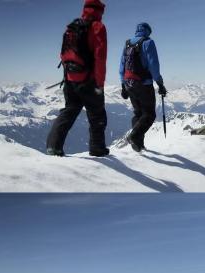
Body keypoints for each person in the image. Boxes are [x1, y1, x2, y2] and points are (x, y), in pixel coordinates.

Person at [46, 0, 109, 157]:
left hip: (70, 79)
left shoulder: (71, 27)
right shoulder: (98, 27)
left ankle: (53, 146)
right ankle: (97, 149)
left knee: (69, 110)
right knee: (97, 114)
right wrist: (99, 84)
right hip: (88, 80)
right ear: (99, 11)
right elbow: (100, 58)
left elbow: (63, 54)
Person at [119, 22, 167, 152]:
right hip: (143, 84)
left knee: (138, 113)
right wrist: (160, 83)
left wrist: (123, 85)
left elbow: (122, 66)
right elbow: (153, 66)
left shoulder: (128, 43)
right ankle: (134, 137)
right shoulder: (148, 42)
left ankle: (138, 145)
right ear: (147, 31)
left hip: (129, 84)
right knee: (149, 115)